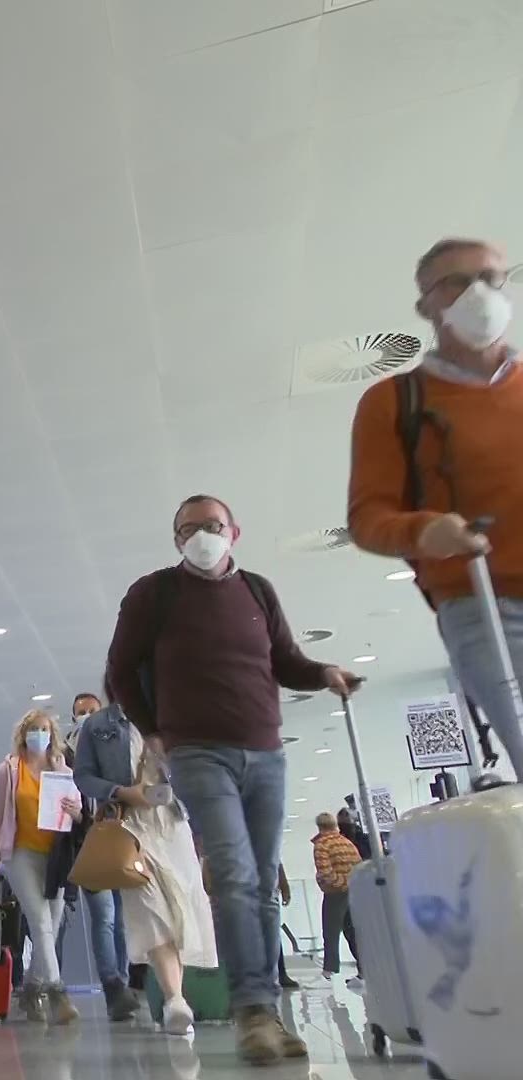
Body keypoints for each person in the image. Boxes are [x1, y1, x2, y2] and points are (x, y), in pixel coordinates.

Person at [104, 494, 359, 1064]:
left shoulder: (257, 591)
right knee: (236, 873)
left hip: (265, 752)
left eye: (212, 525)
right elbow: (119, 669)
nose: (201, 535)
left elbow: (285, 660)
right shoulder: (153, 595)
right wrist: (153, 732)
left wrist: (324, 673)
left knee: (263, 881)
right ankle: (251, 1011)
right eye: (188, 529)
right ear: (176, 540)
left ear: (234, 532)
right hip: (197, 752)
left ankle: (267, 1008)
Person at [348, 236, 523, 776]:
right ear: (426, 305)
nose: (478, 292)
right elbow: (367, 518)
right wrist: (425, 531)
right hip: (486, 605)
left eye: (490, 278)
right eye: (457, 282)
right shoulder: (394, 402)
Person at [110, 714, 218, 1035]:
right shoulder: (102, 729)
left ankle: (176, 998)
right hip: (131, 826)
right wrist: (122, 792)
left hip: (173, 824)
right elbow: (86, 778)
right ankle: (174, 998)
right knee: (152, 907)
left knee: (178, 910)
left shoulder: (174, 719)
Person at [0, 709, 84, 1024]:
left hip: (55, 854)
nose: (38, 734)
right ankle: (57, 993)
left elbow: (78, 811)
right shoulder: (9, 769)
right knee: (40, 921)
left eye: (44, 729)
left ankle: (30, 989)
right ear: (23, 734)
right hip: (19, 854)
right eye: (33, 729)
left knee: (52, 924)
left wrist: (76, 810)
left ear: (52, 735)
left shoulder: (62, 769)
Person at [67, 691, 147, 1020]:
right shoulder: (65, 756)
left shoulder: (113, 745)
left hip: (120, 836)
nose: (86, 716)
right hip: (87, 843)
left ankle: (123, 983)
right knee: (105, 916)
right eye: (80, 712)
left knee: (122, 917)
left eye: (91, 710)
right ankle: (112, 985)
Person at [310, 812, 365, 988]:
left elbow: (325, 872)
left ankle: (328, 972)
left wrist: (339, 884)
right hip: (354, 892)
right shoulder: (347, 842)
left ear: (319, 826)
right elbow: (359, 865)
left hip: (336, 893)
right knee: (354, 932)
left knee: (331, 932)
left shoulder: (322, 844)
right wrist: (351, 884)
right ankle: (364, 970)